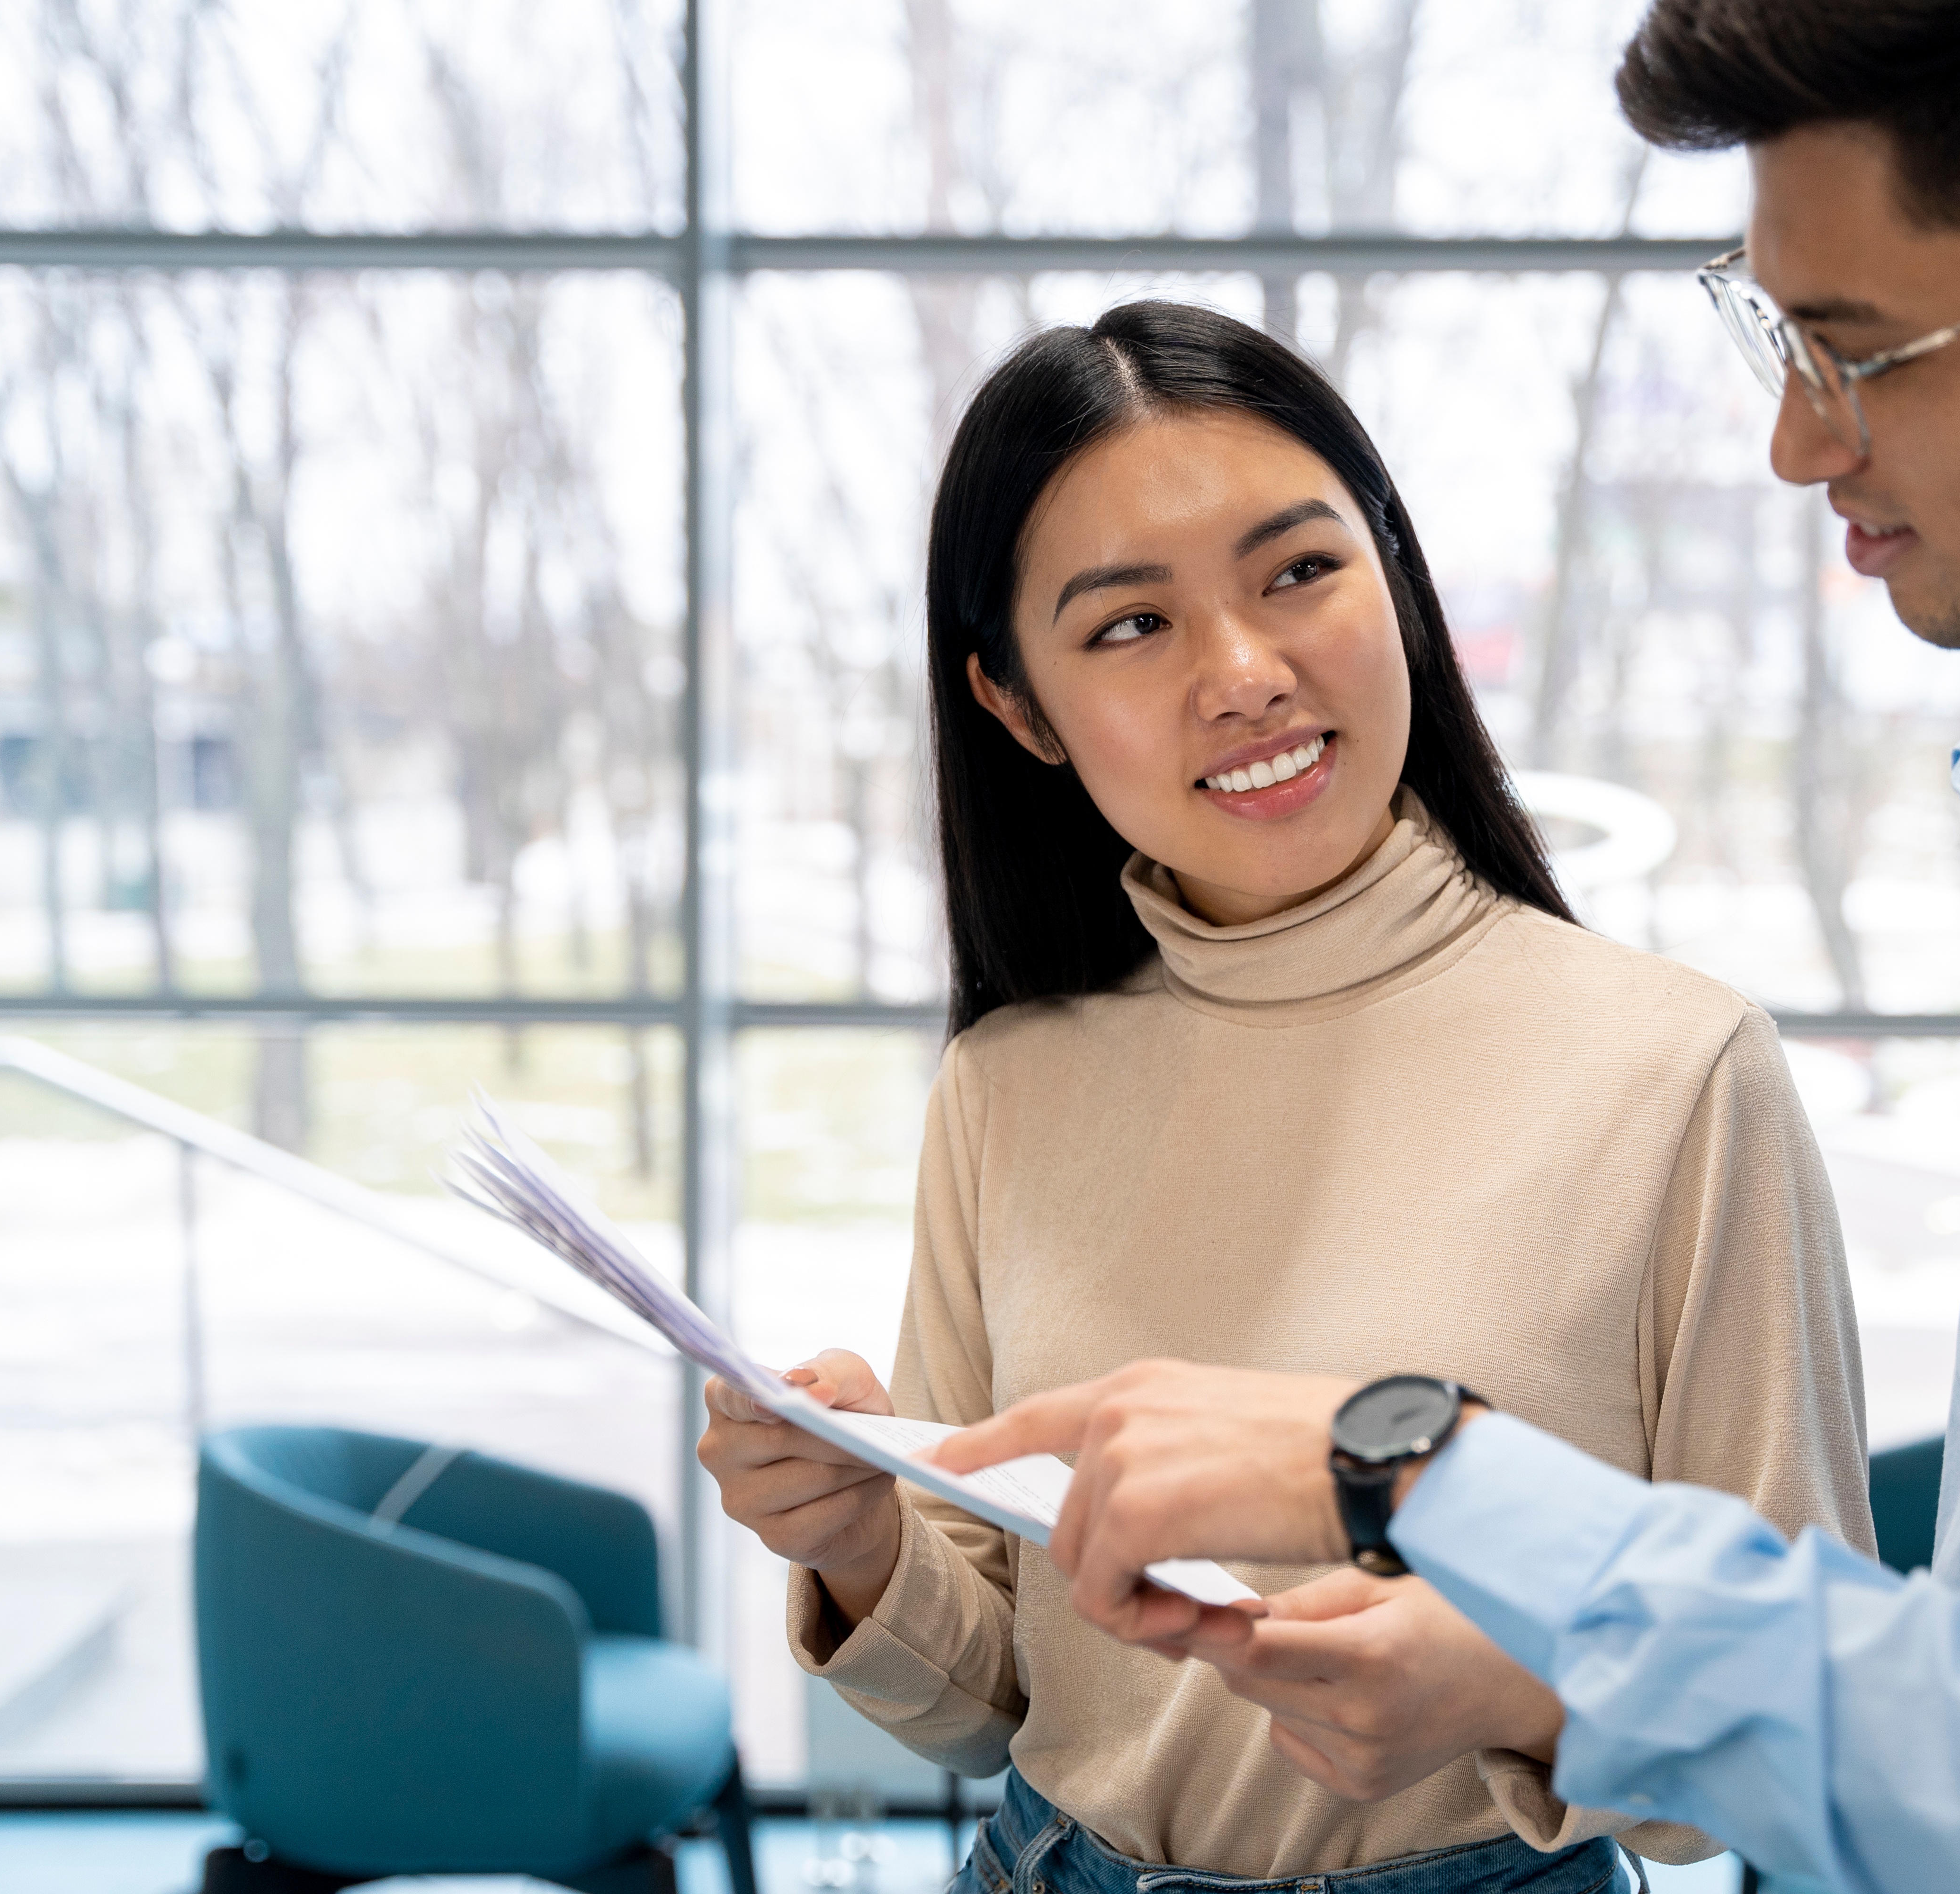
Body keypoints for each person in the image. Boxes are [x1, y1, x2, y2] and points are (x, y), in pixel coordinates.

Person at [929, 4, 1960, 1890]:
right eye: (1774, 331)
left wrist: (1414, 1472)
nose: (1794, 438)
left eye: (1861, 351)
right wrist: (1541, 1664)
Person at [696, 301, 1876, 1893]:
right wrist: (856, 1543)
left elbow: (1801, 1731)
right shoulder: (1009, 1085)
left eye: (1301, 571)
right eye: (1131, 626)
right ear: (1018, 708)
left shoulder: (1677, 1075)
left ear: (1394, 576)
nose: (1246, 673)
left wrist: (1517, 1693)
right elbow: (1001, 1706)